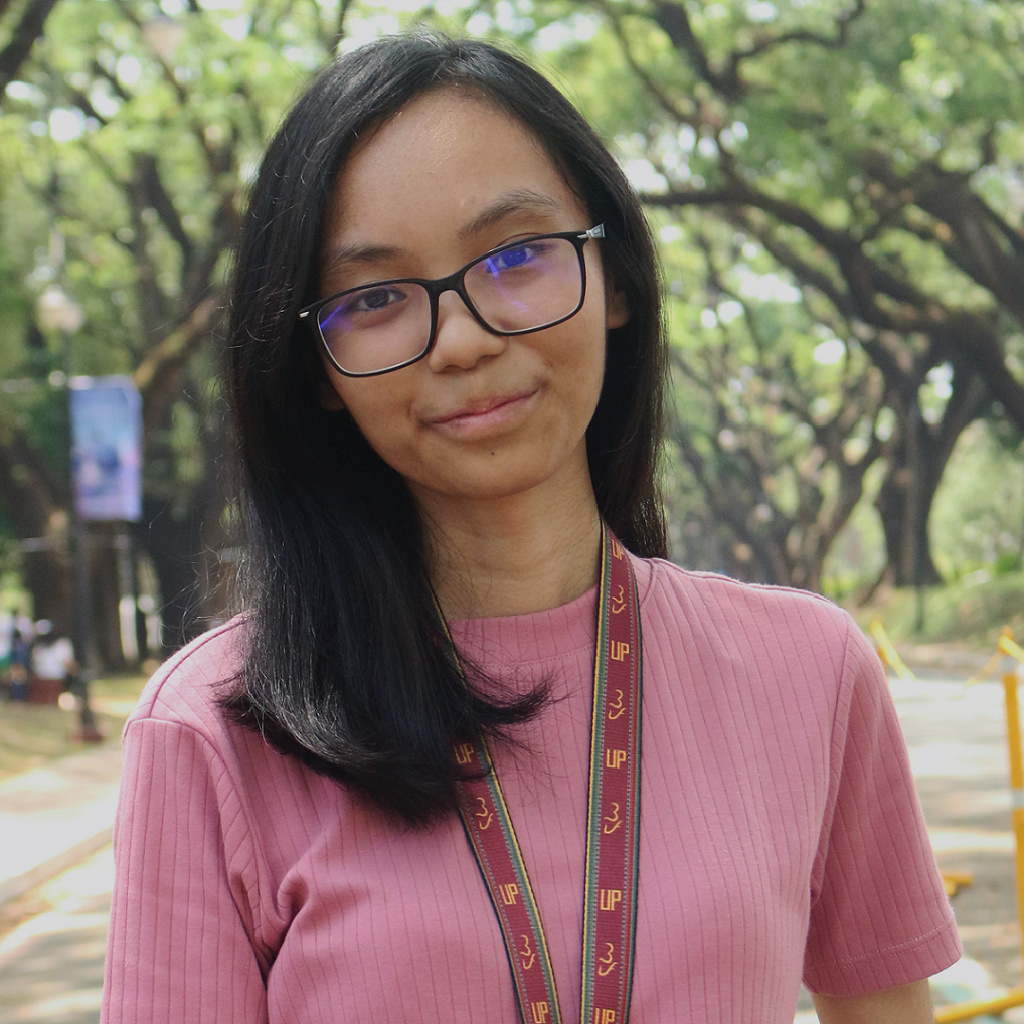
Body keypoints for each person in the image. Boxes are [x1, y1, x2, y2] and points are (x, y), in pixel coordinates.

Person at [102, 34, 960, 1024]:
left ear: (617, 280)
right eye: (376, 296)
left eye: (515, 255)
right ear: (317, 374)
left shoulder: (813, 672)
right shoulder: (212, 732)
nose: (463, 338)